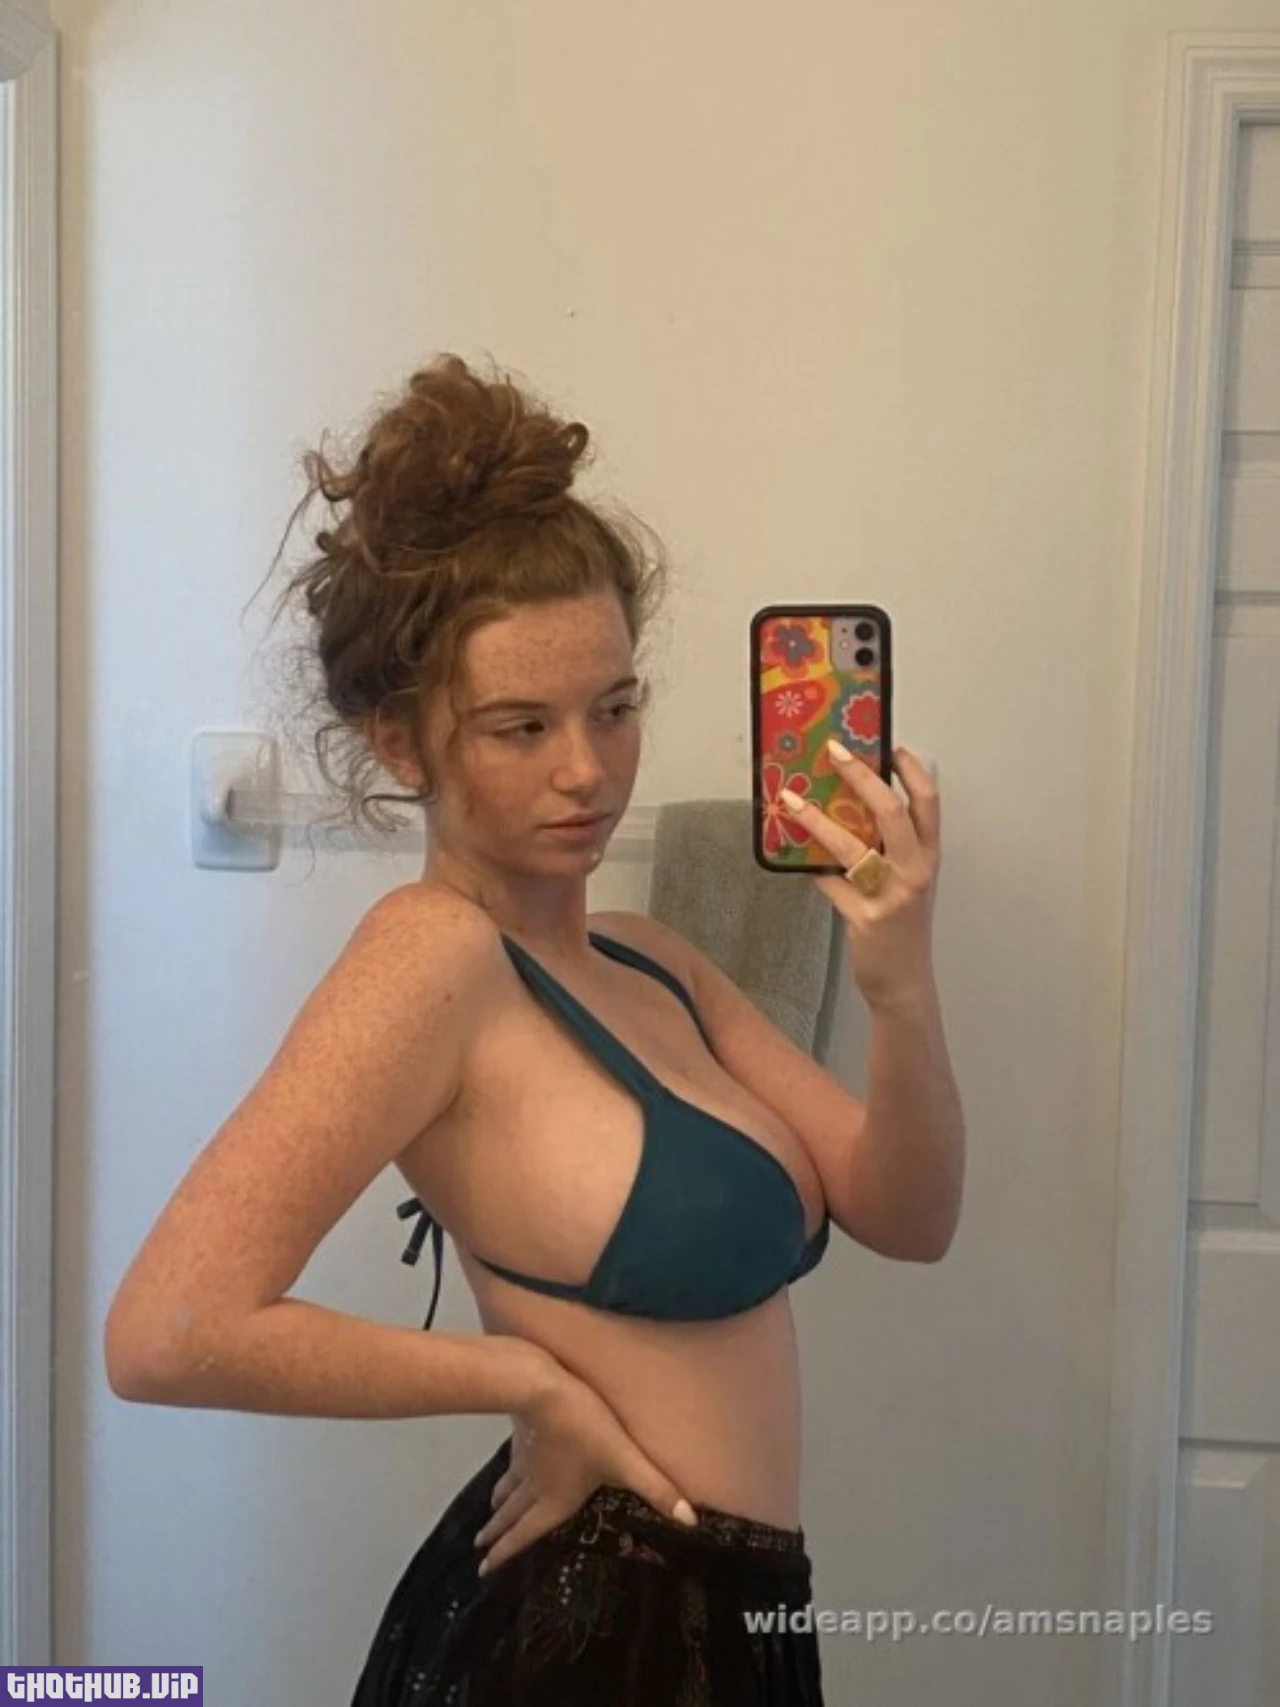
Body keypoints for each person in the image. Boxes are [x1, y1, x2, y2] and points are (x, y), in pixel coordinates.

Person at [104, 352, 959, 1704]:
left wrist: (898, 980)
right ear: (402, 744)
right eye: (520, 727)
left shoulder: (653, 961)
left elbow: (910, 1216)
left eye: (616, 709)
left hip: (743, 1619)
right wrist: (525, 1378)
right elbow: (167, 1327)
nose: (588, 769)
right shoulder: (429, 960)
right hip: (589, 1629)